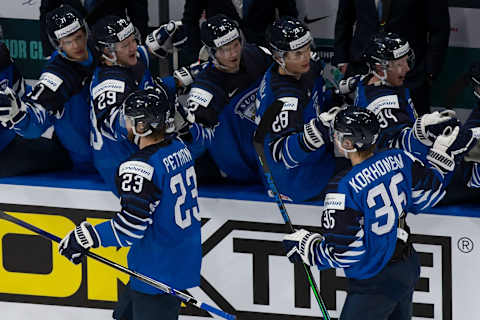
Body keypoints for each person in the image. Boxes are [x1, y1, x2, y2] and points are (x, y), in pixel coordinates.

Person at [282, 106, 457, 320]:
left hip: (375, 282)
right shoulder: (400, 157)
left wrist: (308, 248)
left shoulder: (343, 187)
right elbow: (426, 197)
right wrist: (439, 156)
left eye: (337, 134)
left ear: (347, 143)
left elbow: (346, 252)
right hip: (406, 266)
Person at [58, 88, 201, 320]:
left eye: (129, 119)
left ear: (142, 125)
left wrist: (85, 236)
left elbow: (129, 229)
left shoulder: (140, 167)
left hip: (156, 272)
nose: (125, 123)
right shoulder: (180, 149)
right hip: (169, 261)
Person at [90, 15, 194, 193]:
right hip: (121, 168)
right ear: (107, 52)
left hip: (139, 155)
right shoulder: (109, 85)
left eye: (133, 40)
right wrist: (166, 92)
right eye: (126, 45)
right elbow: (117, 125)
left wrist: (164, 36)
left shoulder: (128, 61)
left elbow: (144, 55)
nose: (134, 48)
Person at [0, 5, 97, 173]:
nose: (75, 45)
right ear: (57, 43)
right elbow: (36, 120)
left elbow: (23, 92)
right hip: (88, 159)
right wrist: (18, 116)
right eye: (67, 41)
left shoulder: (103, 49)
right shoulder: (57, 77)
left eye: (79, 37)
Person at [178, 14, 273, 184]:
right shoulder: (205, 90)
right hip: (236, 165)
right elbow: (195, 140)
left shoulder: (255, 55)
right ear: (212, 52)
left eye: (236, 45)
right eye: (225, 49)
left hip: (264, 152)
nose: (233, 53)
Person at [254, 17, 341, 202]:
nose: (306, 56)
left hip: (312, 162)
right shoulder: (285, 99)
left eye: (307, 48)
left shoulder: (300, 67)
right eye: (298, 53)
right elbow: (280, 153)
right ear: (279, 57)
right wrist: (316, 132)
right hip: (297, 180)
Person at [354, 32, 459, 162]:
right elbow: (400, 149)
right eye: (400, 64)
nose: (407, 68)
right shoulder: (386, 108)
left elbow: (356, 81)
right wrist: (425, 131)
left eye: (406, 61)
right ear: (380, 68)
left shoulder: (368, 80)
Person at [333, 0, 450, 115]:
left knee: (412, 128)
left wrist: (430, 72)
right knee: (357, 128)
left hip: (410, 75)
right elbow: (344, 20)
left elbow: (440, 28)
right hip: (361, 68)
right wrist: (342, 60)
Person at [0, 41, 70, 177]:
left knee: (62, 155)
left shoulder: (2, 57)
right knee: (62, 158)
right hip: (5, 151)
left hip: (9, 141)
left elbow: (22, 95)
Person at [180, 0, 298, 65]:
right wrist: (196, 58)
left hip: (265, 58)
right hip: (220, 60)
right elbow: (190, 21)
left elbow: (289, 16)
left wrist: (287, 54)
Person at [39, 0, 149, 57]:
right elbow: (47, 13)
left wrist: (135, 49)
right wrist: (49, 52)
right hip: (73, 54)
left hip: (113, 51)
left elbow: (139, 16)